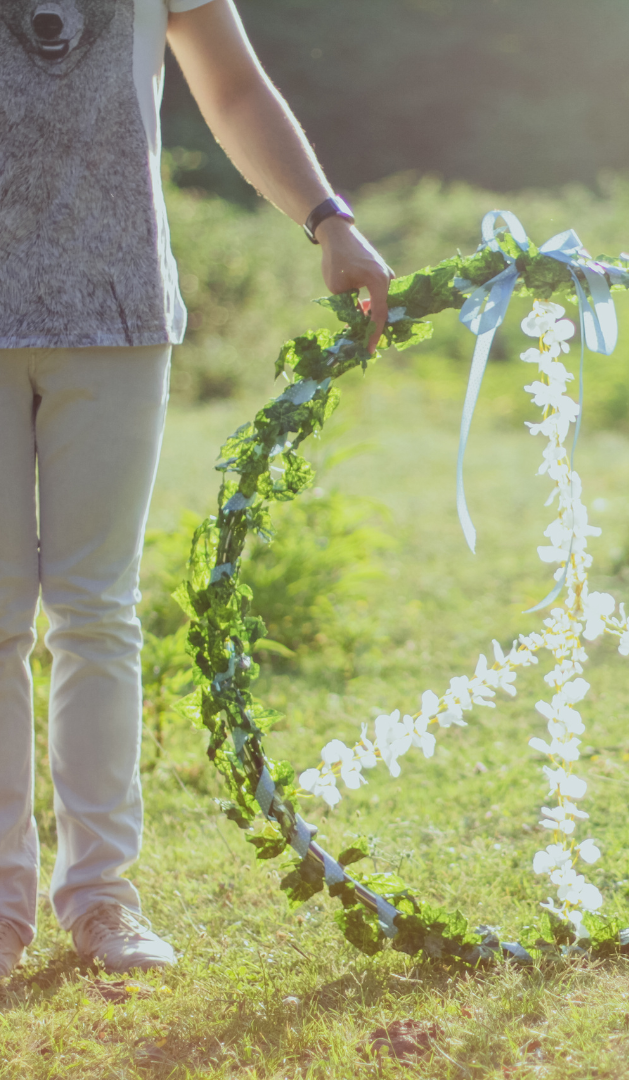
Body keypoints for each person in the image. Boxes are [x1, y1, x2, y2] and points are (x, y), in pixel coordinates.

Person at [0, 0, 392, 976]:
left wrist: (327, 218)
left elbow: (235, 86)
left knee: (96, 612)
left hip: (119, 309)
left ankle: (102, 900)